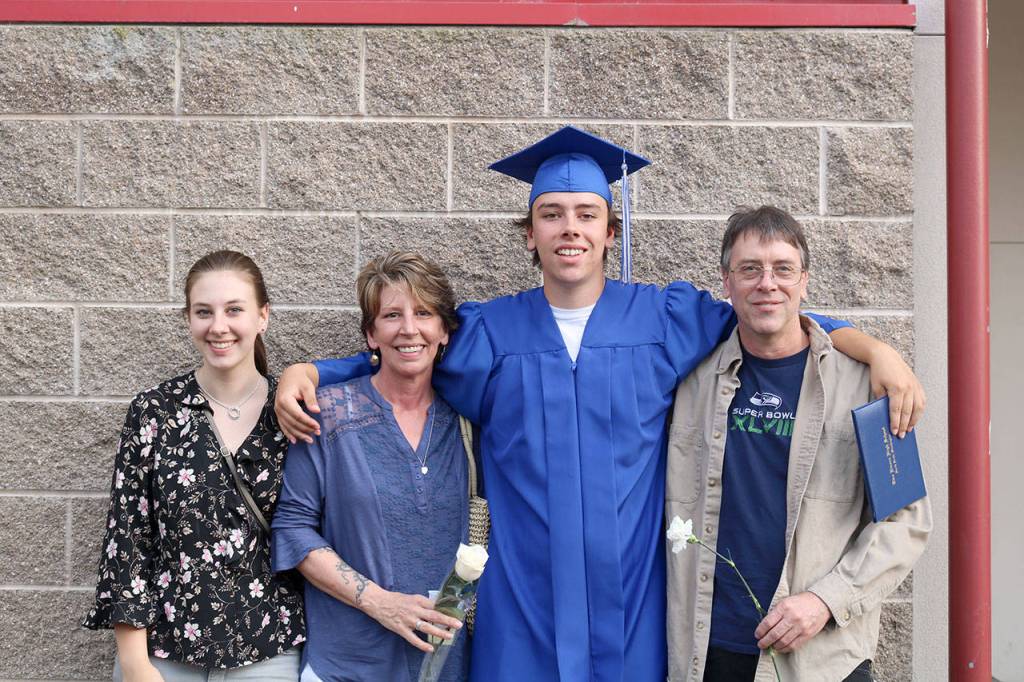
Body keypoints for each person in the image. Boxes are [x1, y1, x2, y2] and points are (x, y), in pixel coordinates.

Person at [274, 127, 925, 682]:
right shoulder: (490, 335)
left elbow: (770, 317)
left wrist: (870, 348)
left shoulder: (664, 320)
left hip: (633, 616)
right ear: (529, 234)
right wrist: (314, 369)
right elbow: (408, 352)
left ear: (610, 231)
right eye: (551, 214)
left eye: (586, 214)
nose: (570, 229)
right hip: (520, 612)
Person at [664, 206, 931, 682]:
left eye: (783, 269)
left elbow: (906, 522)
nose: (767, 283)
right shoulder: (690, 383)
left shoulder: (866, 389)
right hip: (709, 651)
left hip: (821, 658)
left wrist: (825, 600)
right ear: (726, 283)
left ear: (804, 281)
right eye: (750, 269)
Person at [83, 250, 305, 682]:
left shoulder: (293, 413)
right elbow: (127, 538)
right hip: (164, 651)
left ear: (263, 317)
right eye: (204, 312)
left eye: (234, 310)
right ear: (188, 319)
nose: (218, 326)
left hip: (268, 647)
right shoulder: (155, 413)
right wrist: (134, 664)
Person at [270, 251, 468, 682]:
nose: (409, 329)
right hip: (348, 663)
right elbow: (292, 527)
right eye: (392, 315)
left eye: (424, 313)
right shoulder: (328, 414)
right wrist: (379, 602)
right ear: (371, 335)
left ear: (444, 332)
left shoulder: (467, 423)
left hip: (444, 666)